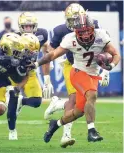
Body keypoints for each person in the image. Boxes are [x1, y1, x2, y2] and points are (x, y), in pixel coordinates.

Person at [29, 14, 120, 144]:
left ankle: (56, 124)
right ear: (75, 31)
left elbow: (115, 54)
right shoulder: (70, 39)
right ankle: (92, 131)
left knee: (79, 111)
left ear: (93, 29)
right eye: (81, 32)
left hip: (93, 75)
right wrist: (37, 63)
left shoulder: (101, 35)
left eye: (88, 31)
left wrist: (109, 66)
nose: (85, 35)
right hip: (78, 72)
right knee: (92, 95)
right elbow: (53, 54)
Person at [43, 3, 111, 148]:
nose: (77, 23)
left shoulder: (94, 26)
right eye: (72, 20)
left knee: (80, 108)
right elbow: (51, 48)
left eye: (78, 19)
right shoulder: (61, 30)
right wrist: (49, 67)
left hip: (91, 68)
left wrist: (106, 69)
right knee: (78, 98)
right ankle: (68, 135)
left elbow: (106, 48)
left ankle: (57, 112)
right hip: (72, 65)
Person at [6, 12, 53, 140]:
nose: (28, 29)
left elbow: (46, 51)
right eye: (25, 26)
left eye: (30, 26)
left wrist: (47, 76)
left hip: (30, 72)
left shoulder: (41, 34)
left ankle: (23, 101)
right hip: (14, 73)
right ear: (21, 27)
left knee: (37, 101)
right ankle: (12, 130)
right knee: (13, 100)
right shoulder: (14, 38)